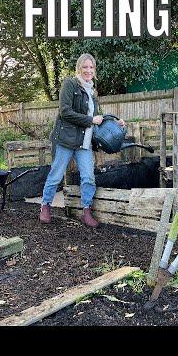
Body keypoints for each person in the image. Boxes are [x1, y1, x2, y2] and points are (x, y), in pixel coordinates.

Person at [39, 53, 124, 226]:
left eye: (91, 67)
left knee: (88, 177)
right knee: (56, 175)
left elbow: (97, 117)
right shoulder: (70, 84)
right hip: (66, 139)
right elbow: (65, 112)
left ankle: (86, 211)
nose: (88, 70)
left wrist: (116, 122)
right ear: (79, 68)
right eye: (85, 67)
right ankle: (45, 205)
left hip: (84, 142)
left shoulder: (92, 91)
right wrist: (90, 120)